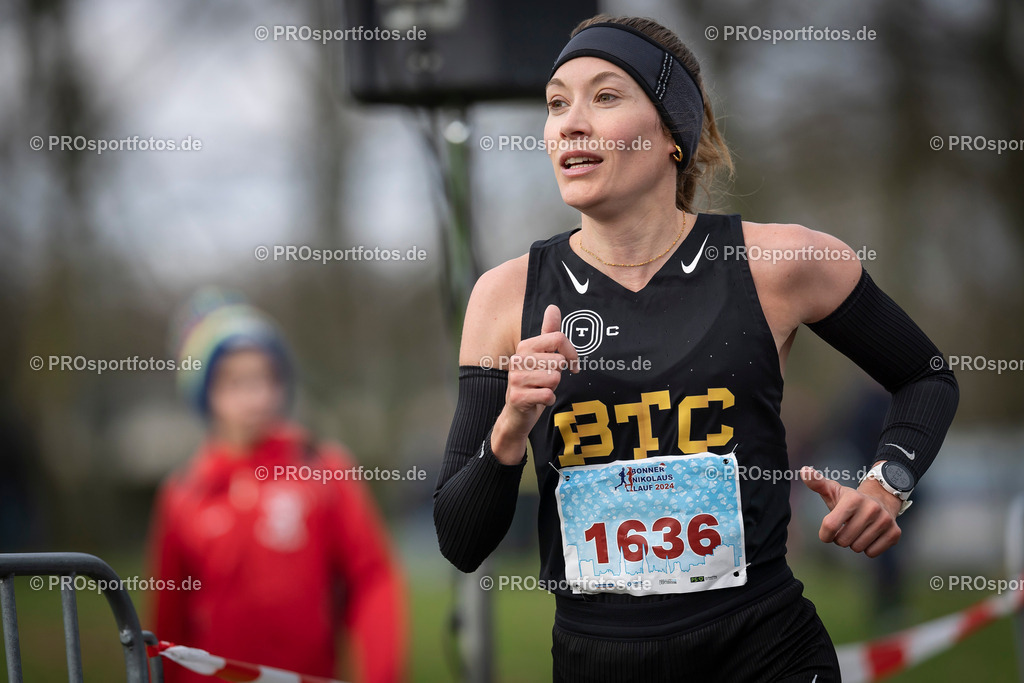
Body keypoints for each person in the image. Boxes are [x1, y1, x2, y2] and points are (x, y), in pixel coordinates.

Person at [433, 14, 959, 682]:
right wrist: (510, 428)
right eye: (557, 104)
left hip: (765, 652)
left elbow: (926, 376)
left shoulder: (779, 262)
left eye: (605, 96)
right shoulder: (506, 296)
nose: (570, 124)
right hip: (598, 661)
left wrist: (887, 485)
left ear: (671, 134)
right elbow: (461, 541)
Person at [148, 290, 406, 683]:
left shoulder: (322, 467)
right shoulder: (184, 493)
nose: (255, 396)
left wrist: (381, 675)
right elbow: (167, 623)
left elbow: (372, 579)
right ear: (204, 392)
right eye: (234, 381)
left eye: (264, 376)